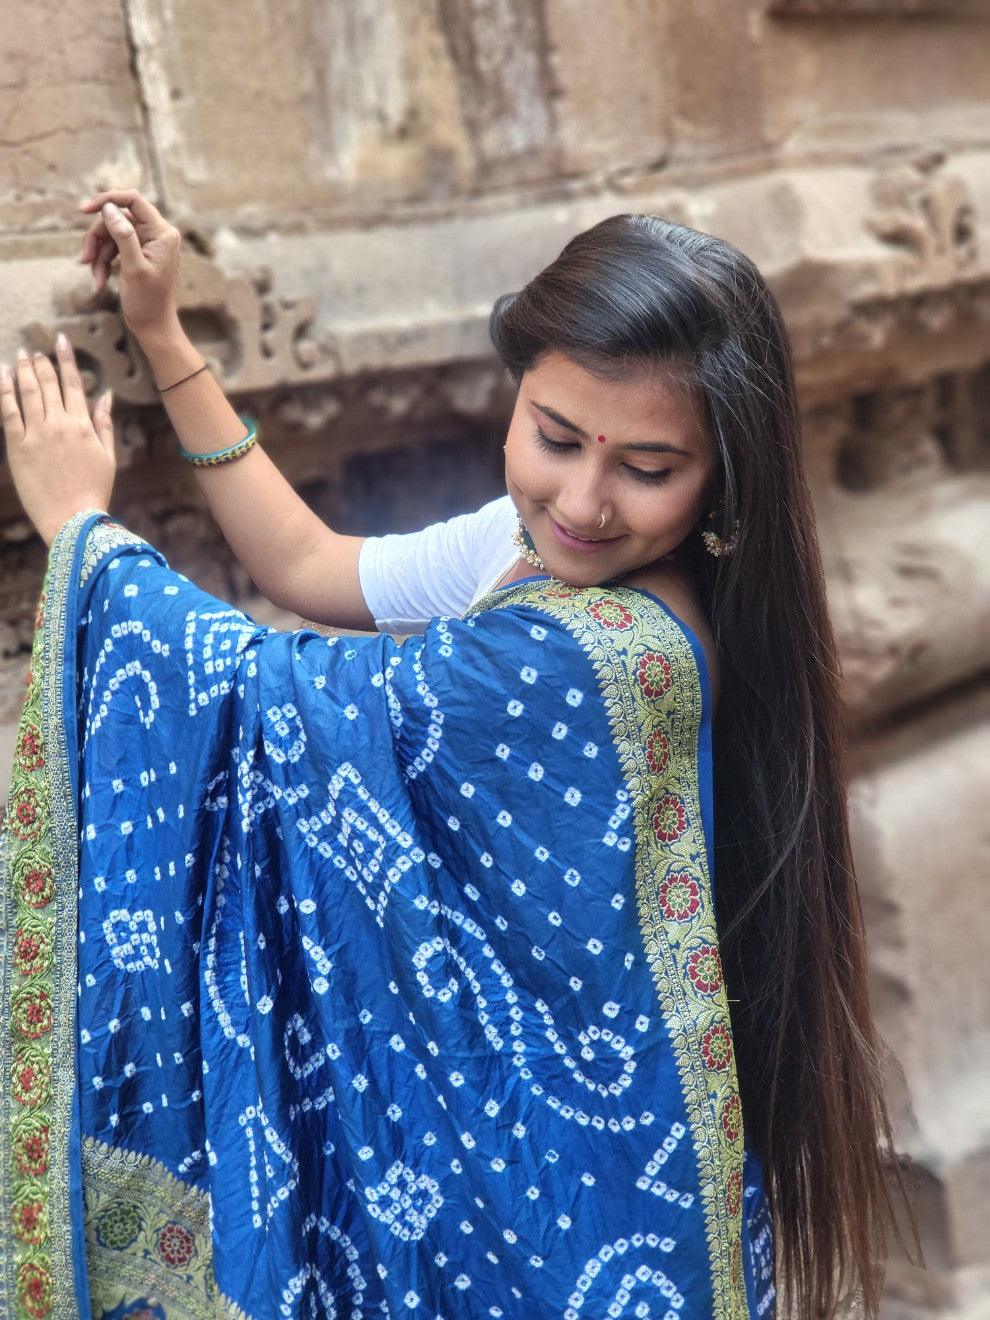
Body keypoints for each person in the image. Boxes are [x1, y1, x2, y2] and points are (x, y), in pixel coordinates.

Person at [0, 195, 913, 1320]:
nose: (582, 499)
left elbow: (281, 695)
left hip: (574, 1218)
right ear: (516, 391)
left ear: (727, 475)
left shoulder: (612, 654)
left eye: (649, 467)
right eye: (556, 436)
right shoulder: (535, 550)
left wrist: (85, 541)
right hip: (549, 1185)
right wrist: (164, 334)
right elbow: (308, 563)